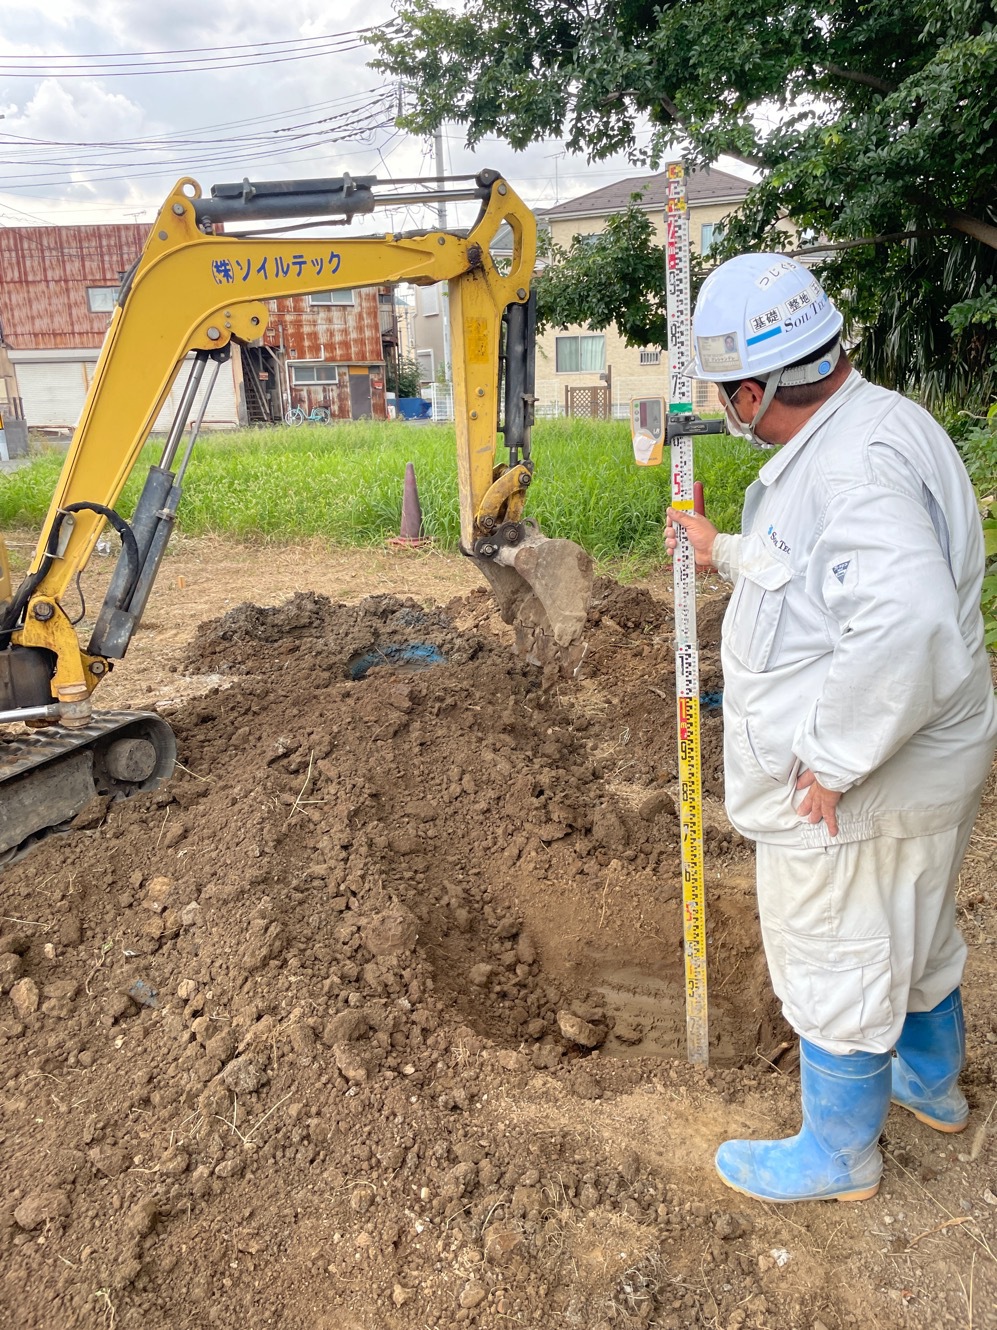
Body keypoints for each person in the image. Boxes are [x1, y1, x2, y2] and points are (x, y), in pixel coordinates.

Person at [666, 253, 997, 1204]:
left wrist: (831, 761)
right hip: (928, 757)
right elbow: (811, 571)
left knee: (835, 953)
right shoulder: (875, 424)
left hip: (865, 783)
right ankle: (929, 1086)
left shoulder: (851, 469)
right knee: (915, 928)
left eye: (722, 394)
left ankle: (839, 1155)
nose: (723, 408)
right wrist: (720, 550)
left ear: (751, 391)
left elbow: (903, 619)